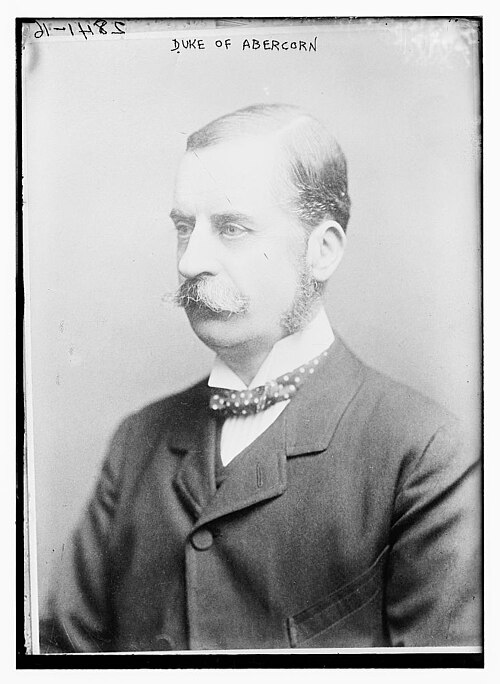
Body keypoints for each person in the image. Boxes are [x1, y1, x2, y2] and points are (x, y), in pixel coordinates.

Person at [41, 104, 481, 652]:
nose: (190, 261)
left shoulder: (427, 455)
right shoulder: (137, 443)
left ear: (322, 252)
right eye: (184, 228)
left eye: (232, 228)